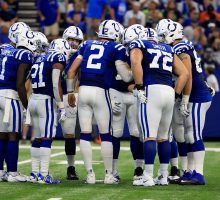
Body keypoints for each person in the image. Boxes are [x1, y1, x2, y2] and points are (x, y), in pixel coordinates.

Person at [67, 19, 133, 184]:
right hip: (101, 92)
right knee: (106, 134)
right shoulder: (116, 47)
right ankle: (109, 175)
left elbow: (71, 71)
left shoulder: (87, 44)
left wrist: (70, 91)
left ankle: (90, 175)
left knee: (84, 133)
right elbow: (125, 76)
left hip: (83, 91)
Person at [129, 26, 189, 187]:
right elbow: (184, 73)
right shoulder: (168, 48)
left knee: (149, 135)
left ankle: (147, 175)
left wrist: (139, 86)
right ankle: (163, 175)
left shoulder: (140, 44)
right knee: (164, 137)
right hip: (168, 91)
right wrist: (176, 94)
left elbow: (135, 62)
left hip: (151, 89)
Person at [157, 20, 214, 185]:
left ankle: (199, 173)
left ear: (172, 33)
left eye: (163, 35)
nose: (161, 39)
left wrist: (185, 99)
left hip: (196, 96)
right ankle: (189, 171)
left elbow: (187, 74)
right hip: (193, 94)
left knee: (194, 135)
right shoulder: (180, 46)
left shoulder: (181, 48)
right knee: (188, 135)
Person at [0, 30, 35, 182]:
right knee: (13, 135)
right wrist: (27, 106)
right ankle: (12, 172)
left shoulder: (5, 50)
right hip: (10, 96)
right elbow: (20, 85)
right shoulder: (25, 55)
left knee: (1, 133)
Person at [27, 37, 70, 184]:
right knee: (47, 137)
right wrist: (61, 105)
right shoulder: (58, 56)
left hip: (33, 98)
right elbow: (55, 82)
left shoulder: (39, 57)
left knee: (37, 138)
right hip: (45, 100)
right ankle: (44, 175)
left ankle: (34, 173)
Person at [110, 24, 146, 185]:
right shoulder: (118, 50)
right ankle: (113, 170)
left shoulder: (139, 51)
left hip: (132, 93)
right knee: (116, 133)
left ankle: (138, 168)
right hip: (118, 92)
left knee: (136, 132)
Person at [61, 26, 84, 180]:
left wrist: (74, 92)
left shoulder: (80, 56)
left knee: (70, 133)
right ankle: (40, 168)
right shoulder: (56, 53)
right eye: (71, 39)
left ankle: (71, 167)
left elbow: (80, 77)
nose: (74, 43)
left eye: (77, 40)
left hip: (71, 96)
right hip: (56, 96)